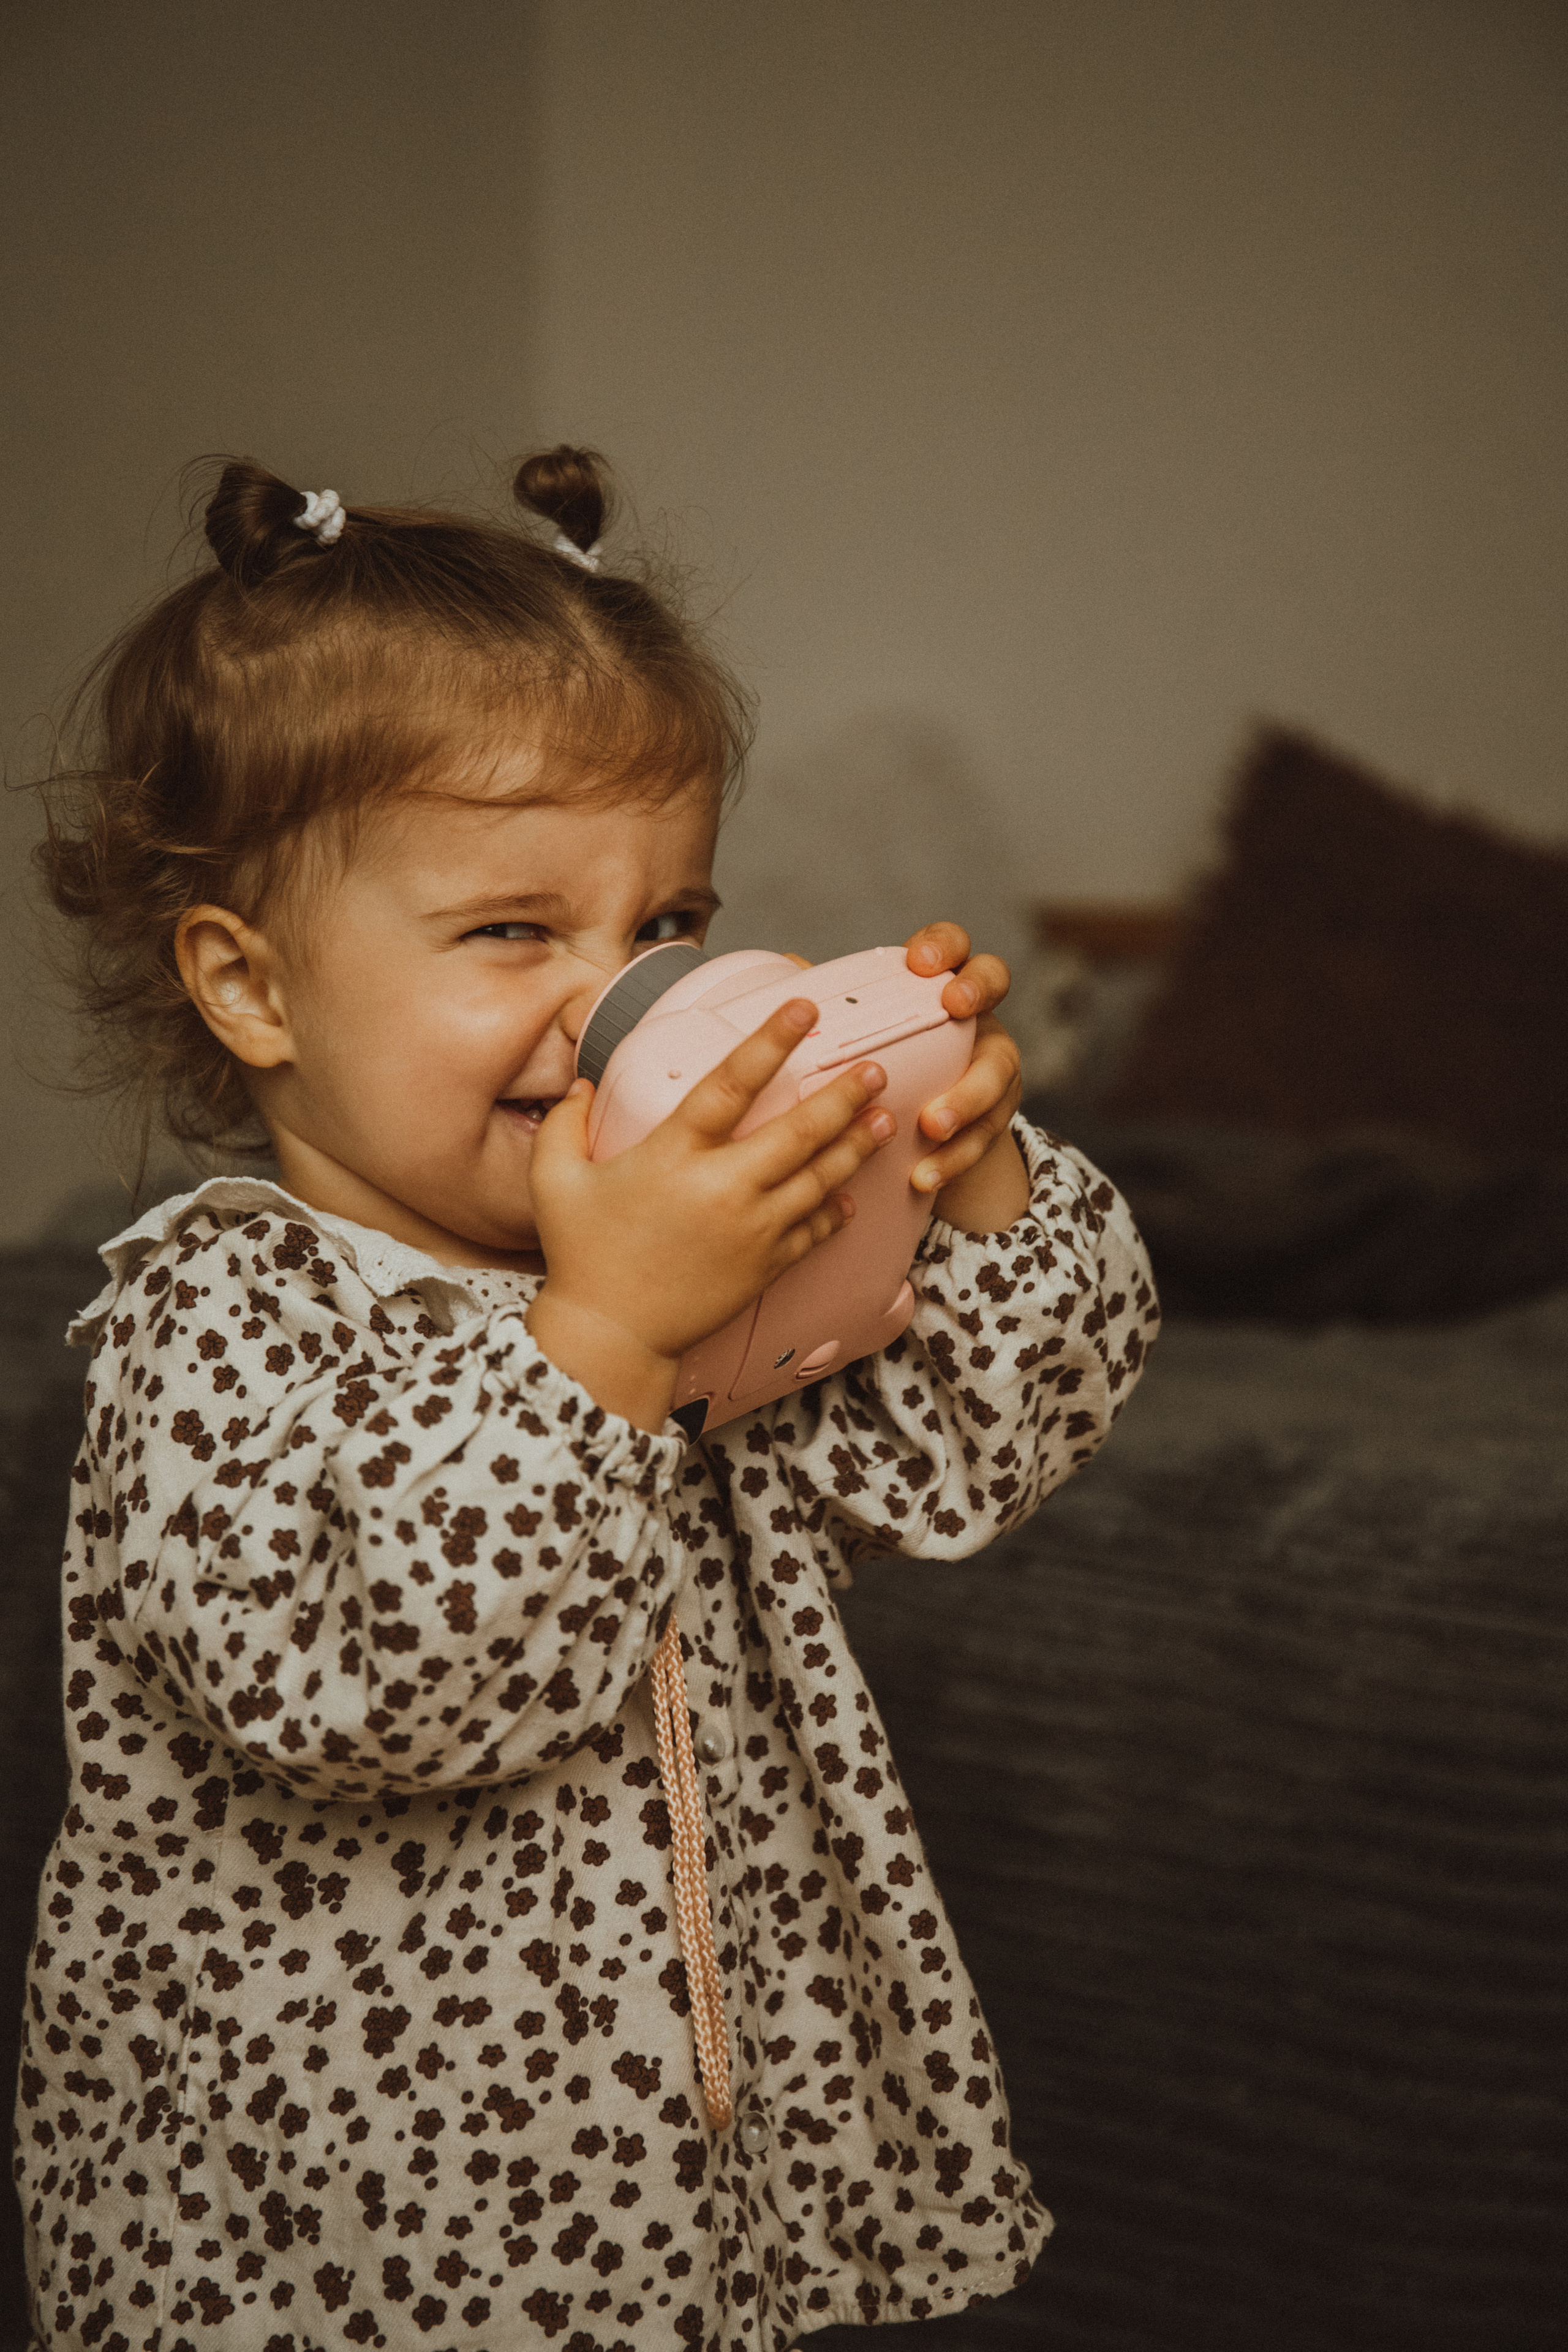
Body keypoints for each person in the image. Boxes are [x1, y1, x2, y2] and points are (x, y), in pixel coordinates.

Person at [19, 446, 1158, 2352]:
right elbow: (385, 1683)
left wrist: (964, 1185)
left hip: (699, 2184)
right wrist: (613, 1340)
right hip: (345, 2249)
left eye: (663, 926)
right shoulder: (218, 1329)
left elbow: (980, 1451)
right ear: (252, 985)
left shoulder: (680, 1269)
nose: (612, 1002)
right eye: (511, 932)